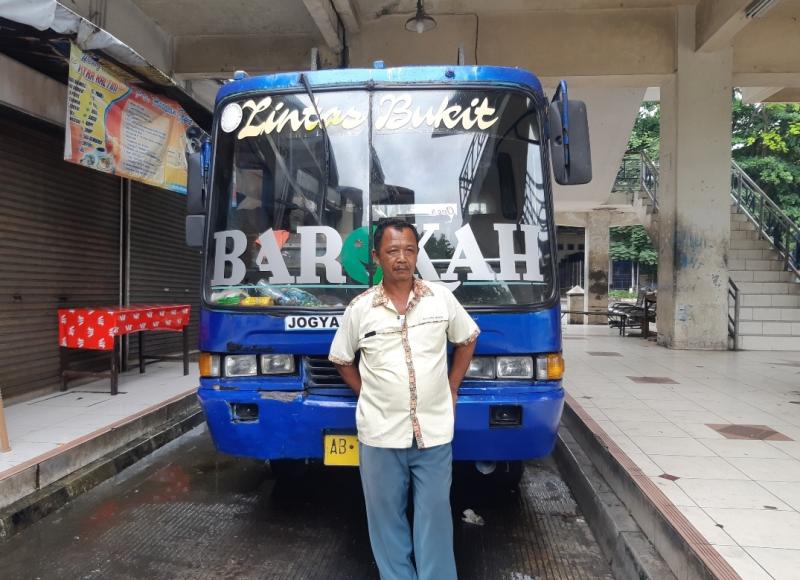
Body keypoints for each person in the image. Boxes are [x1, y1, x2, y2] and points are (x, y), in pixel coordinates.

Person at [329, 218, 479, 580]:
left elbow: (467, 337)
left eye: (409, 250)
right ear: (378, 257)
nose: (402, 258)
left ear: (416, 255)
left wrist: (453, 386)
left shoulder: (440, 298)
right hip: (380, 434)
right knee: (385, 520)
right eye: (393, 250)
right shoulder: (360, 309)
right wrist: (369, 395)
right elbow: (341, 359)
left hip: (433, 432)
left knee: (435, 517)